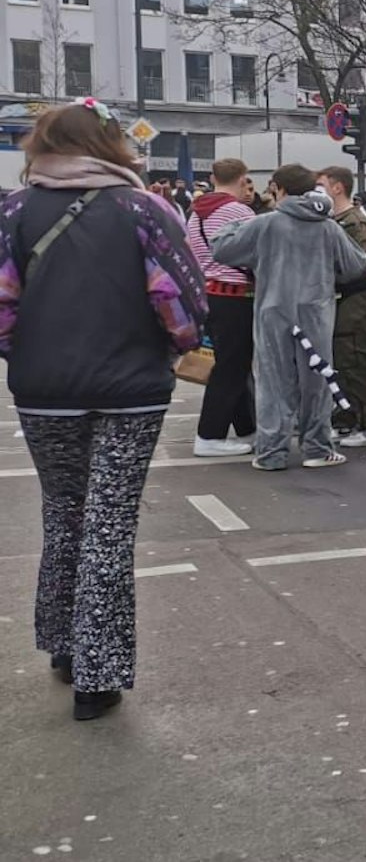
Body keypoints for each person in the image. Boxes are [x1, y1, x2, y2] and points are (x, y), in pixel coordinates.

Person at [0, 101, 207, 720]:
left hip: (44, 391)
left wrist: (29, 351)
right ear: (112, 144)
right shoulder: (143, 210)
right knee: (110, 524)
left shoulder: (12, 211)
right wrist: (181, 346)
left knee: (63, 513)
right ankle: (99, 673)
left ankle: (64, 646)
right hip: (130, 389)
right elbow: (179, 303)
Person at [208, 165, 366, 471]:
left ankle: (272, 452)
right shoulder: (328, 226)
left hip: (274, 309)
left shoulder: (267, 223)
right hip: (316, 310)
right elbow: (354, 265)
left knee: (273, 381)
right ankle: (318, 448)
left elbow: (221, 248)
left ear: (279, 190)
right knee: (317, 381)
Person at [186, 157, 259, 457]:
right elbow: (255, 250)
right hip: (236, 295)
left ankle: (247, 430)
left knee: (233, 365)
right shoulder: (240, 212)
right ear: (242, 180)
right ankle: (209, 435)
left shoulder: (195, 214)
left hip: (207, 293)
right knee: (231, 367)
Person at [319, 166, 366, 448]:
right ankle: (346, 418)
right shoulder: (334, 220)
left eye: (321, 185)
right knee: (340, 362)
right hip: (341, 297)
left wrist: (334, 273)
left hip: (355, 298)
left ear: (337, 188)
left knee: (355, 360)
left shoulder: (353, 221)